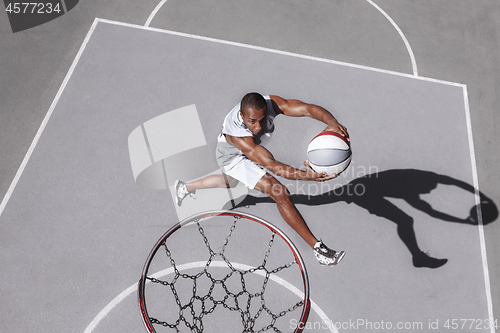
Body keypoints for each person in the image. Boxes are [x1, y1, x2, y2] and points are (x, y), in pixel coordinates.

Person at [174, 92, 349, 266]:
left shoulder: (269, 103)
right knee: (279, 192)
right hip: (232, 157)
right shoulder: (239, 136)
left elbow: (306, 109)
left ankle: (185, 187)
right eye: (252, 121)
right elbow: (272, 165)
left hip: (247, 149)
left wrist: (331, 122)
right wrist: (308, 176)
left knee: (228, 182)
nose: (258, 126)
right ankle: (318, 250)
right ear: (242, 116)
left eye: (262, 119)